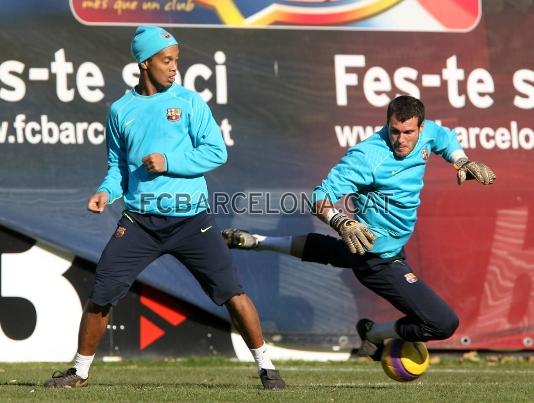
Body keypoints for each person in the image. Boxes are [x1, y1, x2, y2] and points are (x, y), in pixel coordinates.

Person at [44, 26, 285, 390]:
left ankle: (267, 368)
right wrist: (106, 192)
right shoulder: (120, 111)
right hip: (140, 222)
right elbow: (117, 168)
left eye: (176, 60)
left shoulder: (189, 102)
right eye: (166, 60)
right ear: (144, 63)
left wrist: (168, 161)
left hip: (192, 221)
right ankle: (78, 372)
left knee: (232, 292)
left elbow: (216, 152)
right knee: (102, 291)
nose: (174, 67)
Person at [223, 95, 496, 360]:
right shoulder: (368, 157)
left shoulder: (427, 133)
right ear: (387, 124)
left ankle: (257, 241)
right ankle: (374, 333)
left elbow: (444, 137)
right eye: (395, 131)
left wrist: (461, 160)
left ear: (420, 127)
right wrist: (342, 221)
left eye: (408, 132)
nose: (400, 140)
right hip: (377, 258)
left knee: (335, 252)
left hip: (385, 246)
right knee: (442, 323)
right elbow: (318, 198)